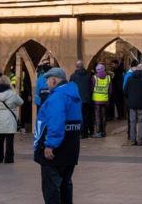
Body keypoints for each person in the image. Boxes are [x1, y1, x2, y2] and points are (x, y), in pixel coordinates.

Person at [34, 67, 82, 204]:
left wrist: (50, 145)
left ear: (54, 80)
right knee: (65, 184)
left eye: (48, 81)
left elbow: (56, 121)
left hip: (56, 150)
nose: (47, 84)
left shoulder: (57, 96)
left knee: (52, 187)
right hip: (71, 147)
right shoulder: (73, 94)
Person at [0, 75, 23, 163]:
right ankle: (9, 158)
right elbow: (21, 102)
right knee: (9, 140)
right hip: (9, 117)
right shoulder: (12, 94)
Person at [125, 62, 142, 145]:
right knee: (141, 121)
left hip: (132, 104)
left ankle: (133, 140)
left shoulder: (130, 78)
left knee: (132, 122)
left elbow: (125, 91)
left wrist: (129, 99)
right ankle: (140, 140)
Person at [69, 60, 93, 139]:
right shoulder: (88, 75)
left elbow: (70, 87)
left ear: (76, 66)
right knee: (86, 116)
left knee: (79, 117)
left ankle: (80, 133)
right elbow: (91, 87)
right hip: (87, 99)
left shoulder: (73, 76)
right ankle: (86, 133)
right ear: (83, 66)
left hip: (77, 100)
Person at [91, 63, 110, 138]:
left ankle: (98, 132)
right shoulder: (108, 77)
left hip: (96, 100)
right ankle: (103, 131)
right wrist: (108, 97)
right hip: (105, 99)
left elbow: (92, 88)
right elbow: (110, 90)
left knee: (97, 116)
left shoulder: (94, 77)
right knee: (103, 115)